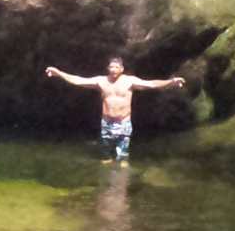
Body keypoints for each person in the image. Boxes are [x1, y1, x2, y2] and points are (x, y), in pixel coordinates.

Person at [44, 57, 186, 161]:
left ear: (122, 69)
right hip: (107, 122)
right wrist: (59, 73)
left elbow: (152, 84)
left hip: (123, 122)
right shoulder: (101, 81)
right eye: (111, 67)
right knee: (106, 154)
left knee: (122, 156)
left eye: (116, 67)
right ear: (108, 68)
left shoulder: (129, 81)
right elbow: (79, 81)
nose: (113, 69)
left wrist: (171, 82)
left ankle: (122, 175)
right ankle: (107, 169)